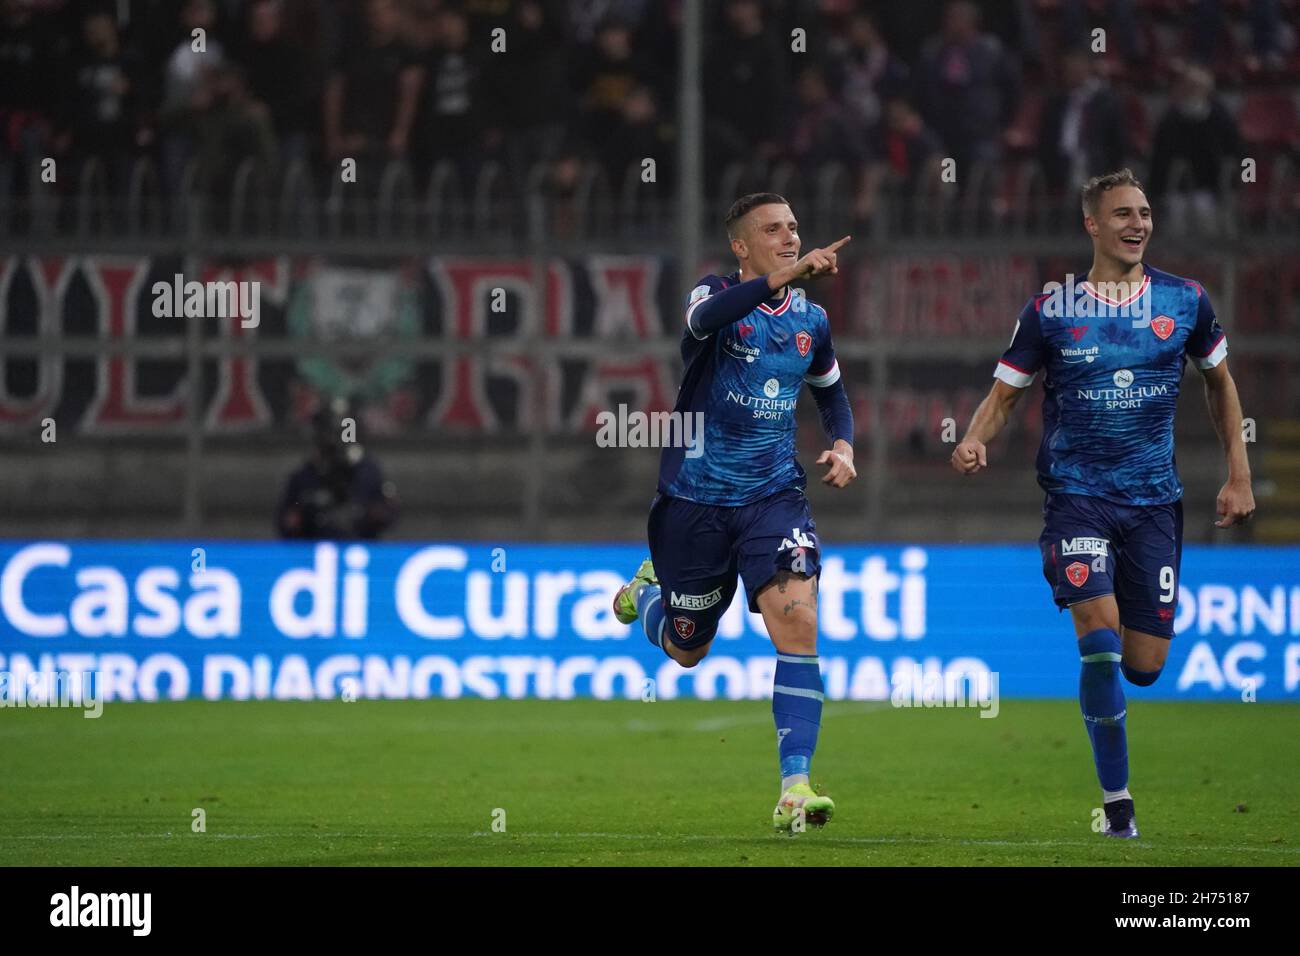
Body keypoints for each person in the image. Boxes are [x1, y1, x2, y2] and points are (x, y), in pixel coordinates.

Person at [950, 169, 1255, 838]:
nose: (1137, 223)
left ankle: (1112, 716)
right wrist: (974, 438)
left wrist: (1238, 472)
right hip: (1076, 498)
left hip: (1153, 504)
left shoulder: (1187, 300)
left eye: (1144, 211)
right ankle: (1117, 804)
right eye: (1122, 213)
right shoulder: (1051, 310)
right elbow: (1005, 395)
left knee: (1144, 666)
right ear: (1093, 224)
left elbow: (1220, 384)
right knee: (1101, 639)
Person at [611, 193, 857, 832]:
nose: (790, 237)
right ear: (742, 246)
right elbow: (711, 315)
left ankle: (795, 787)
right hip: (694, 503)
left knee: (797, 624)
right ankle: (647, 596)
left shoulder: (812, 319)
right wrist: (779, 279)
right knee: (688, 650)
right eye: (773, 230)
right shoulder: (712, 298)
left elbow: (833, 396)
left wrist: (843, 444)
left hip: (775, 497)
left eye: (795, 227)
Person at [277, 399, 399, 540]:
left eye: (346, 430)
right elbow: (285, 521)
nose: (337, 439)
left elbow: (390, 514)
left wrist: (372, 514)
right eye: (331, 431)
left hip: (360, 546)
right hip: (316, 548)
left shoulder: (368, 471)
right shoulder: (305, 475)